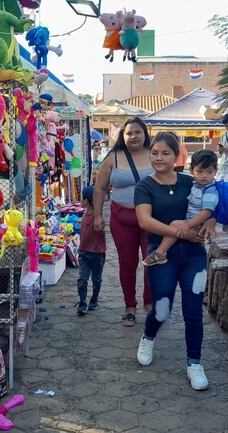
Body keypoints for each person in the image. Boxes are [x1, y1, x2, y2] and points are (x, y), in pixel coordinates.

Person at [134, 131, 217, 391]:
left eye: (165, 153)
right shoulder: (144, 186)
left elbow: (213, 203)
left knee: (193, 311)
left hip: (194, 256)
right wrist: (183, 232)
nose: (159, 158)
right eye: (155, 152)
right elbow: (144, 222)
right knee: (162, 307)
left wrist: (212, 220)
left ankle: (194, 363)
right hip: (161, 255)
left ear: (176, 155)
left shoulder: (190, 181)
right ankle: (148, 336)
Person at [93, 117, 155, 326]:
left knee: (152, 262)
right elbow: (100, 188)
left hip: (152, 220)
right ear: (122, 136)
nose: (134, 136)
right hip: (122, 219)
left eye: (138, 132)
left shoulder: (155, 154)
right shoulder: (114, 158)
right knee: (127, 264)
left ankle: (150, 303)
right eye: (129, 133)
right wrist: (98, 215)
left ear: (145, 134)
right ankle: (130, 306)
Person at [142, 149, 218, 266]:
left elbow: (207, 212)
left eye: (209, 172)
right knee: (176, 226)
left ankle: (160, 252)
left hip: (197, 224)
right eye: (200, 171)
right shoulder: (195, 184)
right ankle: (161, 252)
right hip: (194, 221)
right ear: (192, 171)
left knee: (175, 225)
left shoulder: (210, 190)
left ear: (215, 172)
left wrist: (188, 225)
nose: (204, 176)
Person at [77, 186, 106, 316]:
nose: (80, 201)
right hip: (83, 251)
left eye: (81, 198)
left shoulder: (98, 216)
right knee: (82, 279)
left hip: (97, 253)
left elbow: (103, 228)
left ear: (87, 201)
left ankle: (94, 299)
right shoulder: (85, 213)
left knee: (96, 279)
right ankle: (82, 302)